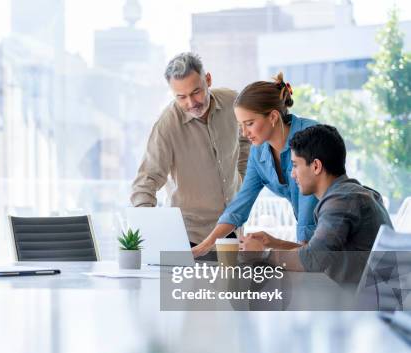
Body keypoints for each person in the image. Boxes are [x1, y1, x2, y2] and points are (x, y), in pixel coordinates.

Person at [239, 124, 393, 283]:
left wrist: (263, 254)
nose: (292, 174)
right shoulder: (354, 194)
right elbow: (319, 252)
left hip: (360, 305)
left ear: (316, 166)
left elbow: (313, 260)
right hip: (371, 300)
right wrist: (273, 243)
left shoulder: (342, 200)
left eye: (295, 165)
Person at [191, 73, 319, 257]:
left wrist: (300, 250)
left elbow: (309, 209)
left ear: (273, 117)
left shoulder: (310, 136)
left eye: (249, 124)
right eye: (241, 125)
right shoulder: (259, 153)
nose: (244, 133)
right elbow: (240, 205)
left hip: (337, 236)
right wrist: (204, 245)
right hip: (311, 244)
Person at [131, 52, 250, 246]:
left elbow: (245, 140)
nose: (191, 103)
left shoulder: (232, 102)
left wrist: (242, 176)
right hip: (190, 237)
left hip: (233, 229)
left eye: (196, 92)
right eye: (181, 97)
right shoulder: (167, 125)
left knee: (234, 277)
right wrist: (150, 230)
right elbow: (146, 181)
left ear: (208, 79)